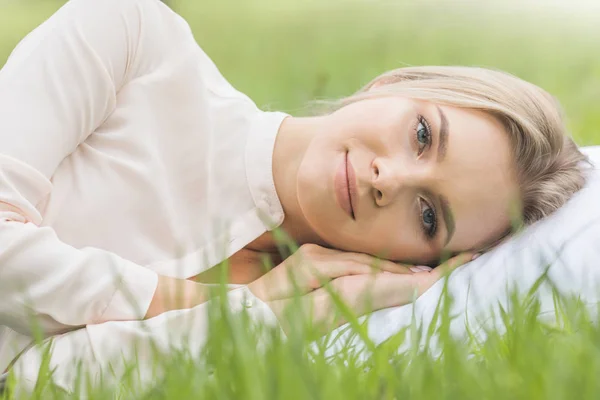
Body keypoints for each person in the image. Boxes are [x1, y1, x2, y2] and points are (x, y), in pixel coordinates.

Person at [0, 0, 588, 389]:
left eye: (429, 215)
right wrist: (190, 302)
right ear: (393, 85)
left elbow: (34, 383)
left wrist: (269, 315)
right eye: (422, 134)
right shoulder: (132, 37)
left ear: (419, 261)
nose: (391, 180)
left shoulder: (309, 319)